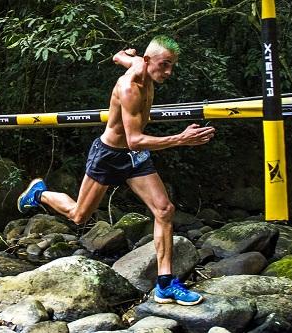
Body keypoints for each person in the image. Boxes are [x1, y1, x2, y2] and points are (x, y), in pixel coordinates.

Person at [17, 35, 214, 306]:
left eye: (172, 66)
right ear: (148, 61)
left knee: (164, 209)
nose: (169, 72)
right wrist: (180, 139)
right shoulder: (130, 87)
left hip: (134, 158)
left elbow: (120, 56)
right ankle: (39, 194)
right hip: (109, 156)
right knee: (78, 216)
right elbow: (135, 139)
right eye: (165, 64)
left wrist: (124, 54)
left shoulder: (140, 63)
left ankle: (166, 284)